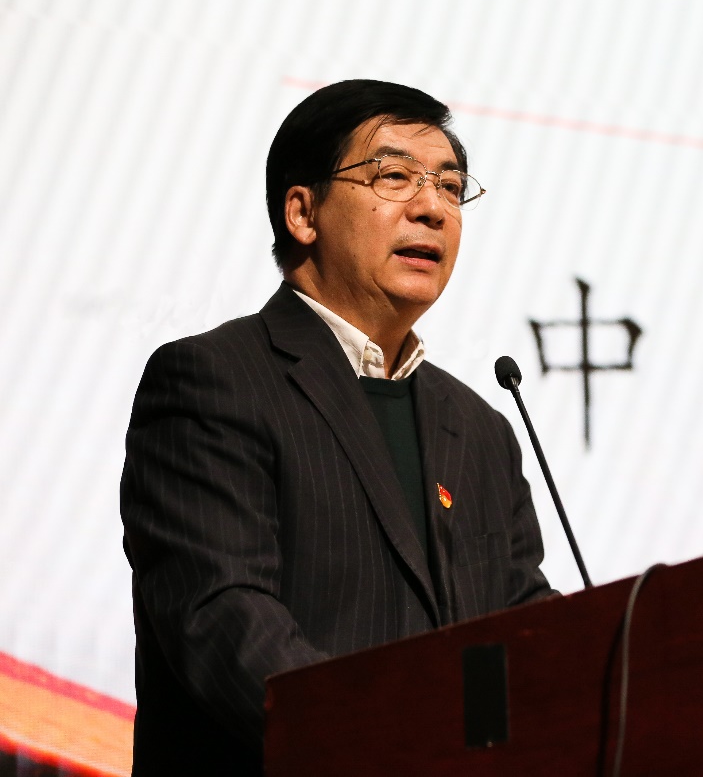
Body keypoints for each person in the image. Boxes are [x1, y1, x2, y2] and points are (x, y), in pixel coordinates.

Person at [120, 80, 554, 776]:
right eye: (394, 177)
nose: (432, 208)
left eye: (450, 186)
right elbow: (224, 620)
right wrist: (397, 753)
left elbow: (525, 631)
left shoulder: (480, 429)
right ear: (302, 212)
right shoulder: (213, 381)